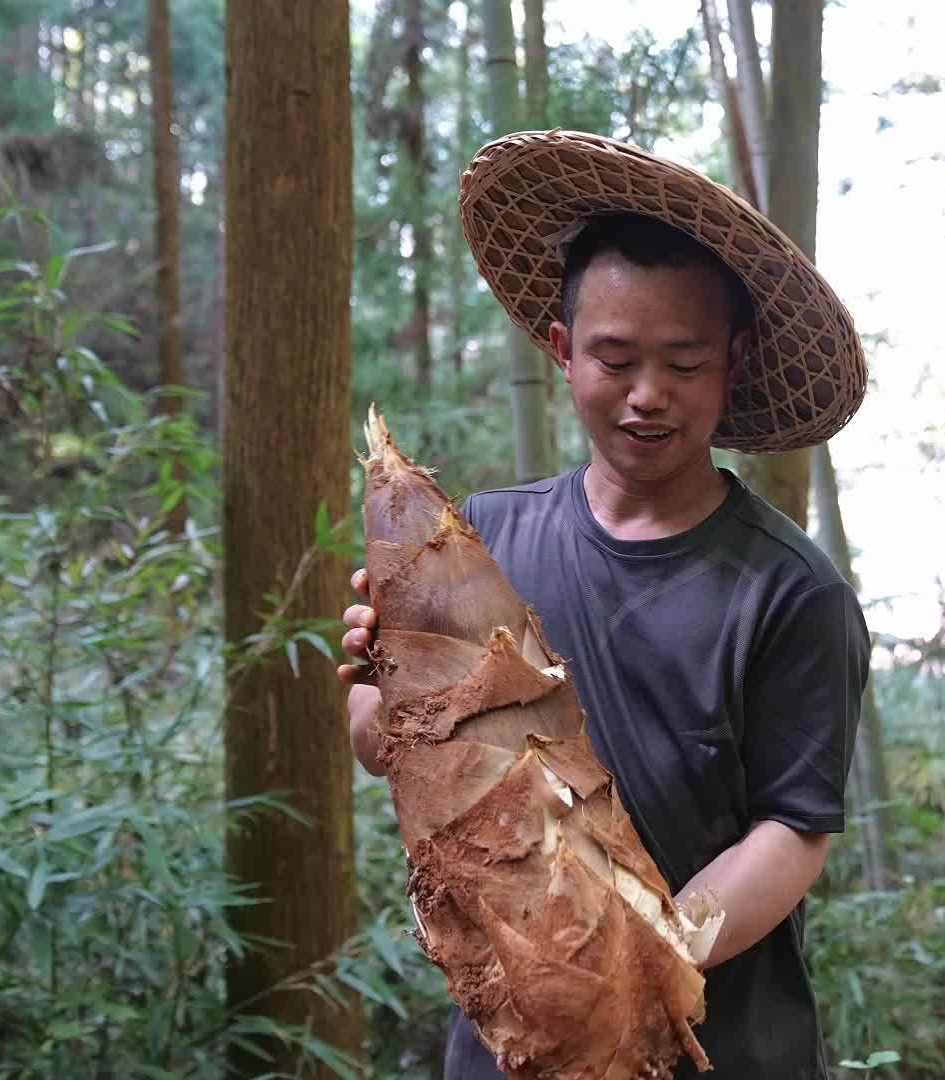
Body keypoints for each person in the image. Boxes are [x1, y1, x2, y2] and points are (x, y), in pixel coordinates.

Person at [335, 131, 871, 1079]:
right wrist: (386, 692)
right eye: (615, 358)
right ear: (562, 350)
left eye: (685, 364)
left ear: (734, 361)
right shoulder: (482, 539)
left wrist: (644, 960)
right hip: (512, 1044)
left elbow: (793, 831)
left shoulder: (791, 592)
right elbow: (389, 748)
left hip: (721, 1049)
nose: (647, 395)